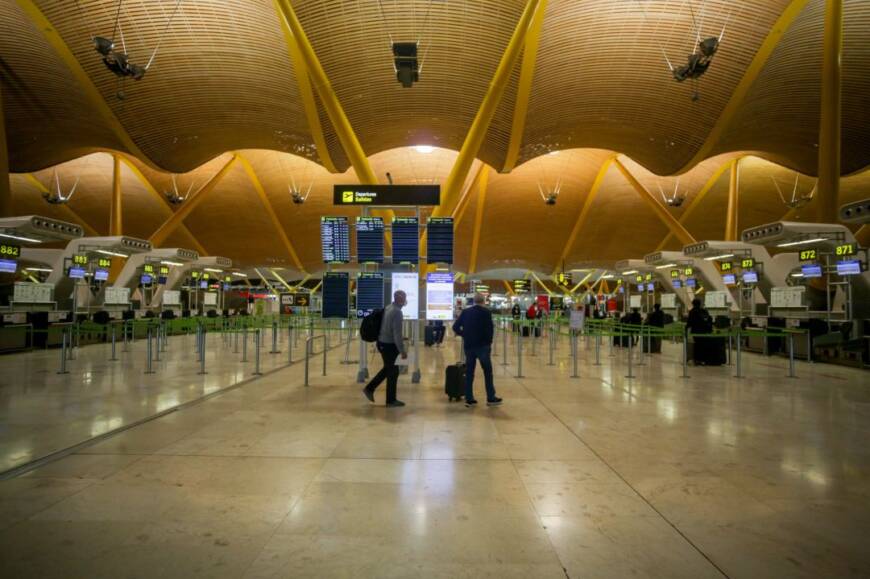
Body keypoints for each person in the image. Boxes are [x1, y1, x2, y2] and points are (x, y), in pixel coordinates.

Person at [452, 293, 502, 408]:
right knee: (487, 372)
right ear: (483, 301)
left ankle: (469, 399)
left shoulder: (466, 312)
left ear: (474, 301)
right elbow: (490, 329)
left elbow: (455, 327)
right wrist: (489, 342)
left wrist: (464, 334)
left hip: (469, 346)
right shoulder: (486, 312)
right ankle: (491, 397)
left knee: (469, 373)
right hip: (483, 346)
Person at [362, 290, 407, 407]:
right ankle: (390, 400)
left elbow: (388, 328)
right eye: (404, 298)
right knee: (393, 372)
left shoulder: (388, 307)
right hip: (389, 345)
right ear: (400, 299)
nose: (405, 300)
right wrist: (402, 351)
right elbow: (397, 334)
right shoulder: (397, 312)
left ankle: (369, 389)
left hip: (382, 343)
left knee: (388, 369)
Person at [686, 298, 715, 365]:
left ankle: (697, 359)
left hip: (696, 331)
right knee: (703, 344)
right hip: (705, 331)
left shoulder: (692, 311)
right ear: (700, 304)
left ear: (693, 304)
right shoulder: (704, 311)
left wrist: (686, 328)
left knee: (697, 345)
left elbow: (690, 322)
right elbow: (708, 319)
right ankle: (703, 359)